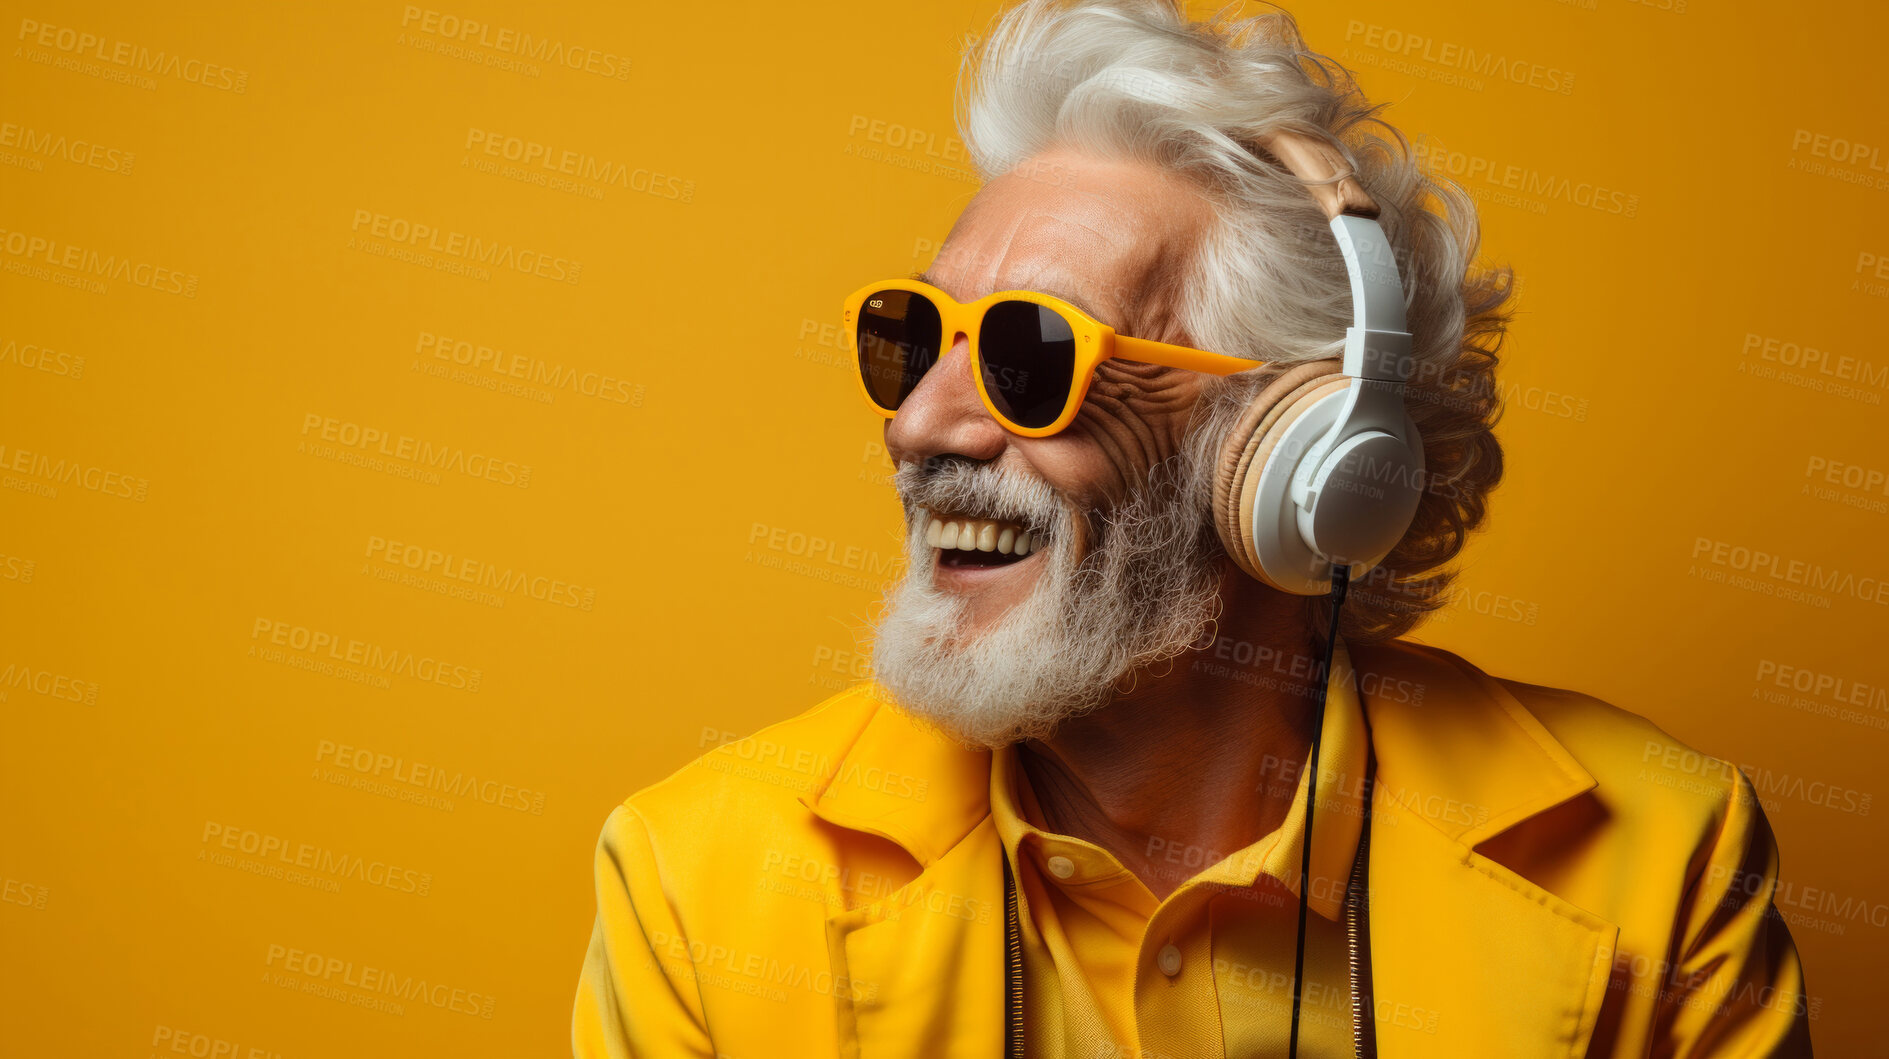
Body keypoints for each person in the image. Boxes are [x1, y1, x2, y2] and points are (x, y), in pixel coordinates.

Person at [572, 1, 1812, 1055]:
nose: (918, 428)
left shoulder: (1660, 861)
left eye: (1030, 352)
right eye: (912, 339)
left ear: (1293, 458)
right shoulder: (698, 882)